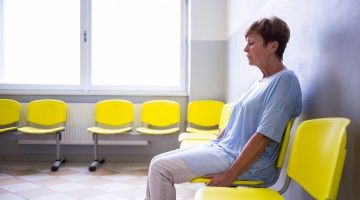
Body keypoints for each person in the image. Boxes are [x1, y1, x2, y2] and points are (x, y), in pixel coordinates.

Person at [145, 16, 302, 200]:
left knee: (160, 169)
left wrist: (231, 174)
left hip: (243, 162)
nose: (245, 49)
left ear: (273, 46)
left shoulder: (285, 81)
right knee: (156, 162)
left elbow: (263, 136)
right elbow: (240, 121)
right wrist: (215, 142)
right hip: (224, 150)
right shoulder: (261, 81)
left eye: (251, 43)